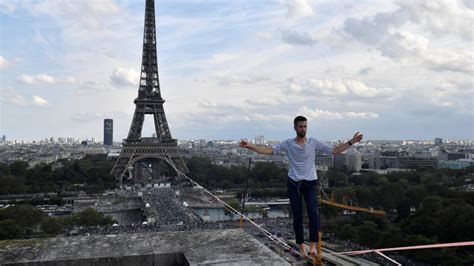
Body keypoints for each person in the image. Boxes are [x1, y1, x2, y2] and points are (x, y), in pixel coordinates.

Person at [239, 115, 363, 257]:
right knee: (297, 215)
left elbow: (333, 151)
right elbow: (270, 151)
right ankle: (302, 246)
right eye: (300, 126)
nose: (303, 129)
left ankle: (314, 246)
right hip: (293, 182)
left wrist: (352, 141)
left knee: (313, 213)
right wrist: (251, 146)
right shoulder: (288, 143)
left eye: (305, 126)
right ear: (295, 128)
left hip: (310, 182)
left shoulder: (313, 142)